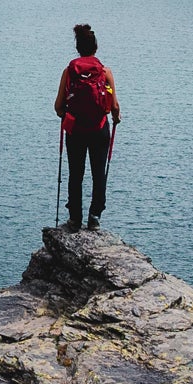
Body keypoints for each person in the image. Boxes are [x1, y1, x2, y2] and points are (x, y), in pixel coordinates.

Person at [54, 22, 121, 231]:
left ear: (77, 48)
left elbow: (58, 107)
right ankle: (94, 217)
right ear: (96, 48)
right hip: (99, 129)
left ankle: (75, 218)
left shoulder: (69, 71)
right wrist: (116, 118)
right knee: (98, 172)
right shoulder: (105, 71)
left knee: (76, 173)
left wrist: (66, 113)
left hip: (75, 129)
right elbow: (115, 106)